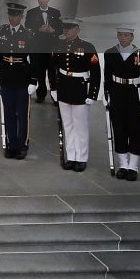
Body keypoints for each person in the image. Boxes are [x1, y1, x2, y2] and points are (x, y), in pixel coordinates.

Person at [49, 16, 101, 172]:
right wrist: (53, 88)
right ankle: (71, 156)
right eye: (64, 28)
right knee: (68, 125)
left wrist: (92, 94)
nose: (66, 31)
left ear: (78, 29)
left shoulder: (87, 47)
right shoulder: (58, 45)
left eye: (69, 28)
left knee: (80, 126)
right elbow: (53, 69)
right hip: (64, 87)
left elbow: (95, 73)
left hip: (80, 89)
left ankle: (81, 158)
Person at [104, 24, 140, 180]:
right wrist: (107, 95)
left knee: (135, 129)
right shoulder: (110, 53)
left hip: (134, 95)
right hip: (117, 93)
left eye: (126, 35)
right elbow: (107, 77)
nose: (123, 37)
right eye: (120, 35)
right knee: (119, 127)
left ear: (132, 37)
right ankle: (123, 164)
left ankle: (133, 166)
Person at [0, 1, 38, 159]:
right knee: (8, 113)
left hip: (22, 79)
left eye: (16, 15)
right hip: (6, 77)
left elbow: (34, 59)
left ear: (22, 16)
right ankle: (11, 144)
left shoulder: (29, 34)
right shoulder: (1, 31)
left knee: (22, 113)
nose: (13, 18)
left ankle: (22, 144)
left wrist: (33, 80)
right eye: (10, 15)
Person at [25, 0, 63, 102]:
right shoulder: (31, 12)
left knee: (53, 72)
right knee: (39, 72)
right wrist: (38, 30)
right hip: (37, 48)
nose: (41, 1)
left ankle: (55, 96)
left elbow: (61, 29)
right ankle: (40, 96)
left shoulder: (56, 12)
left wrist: (53, 30)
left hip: (52, 48)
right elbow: (27, 27)